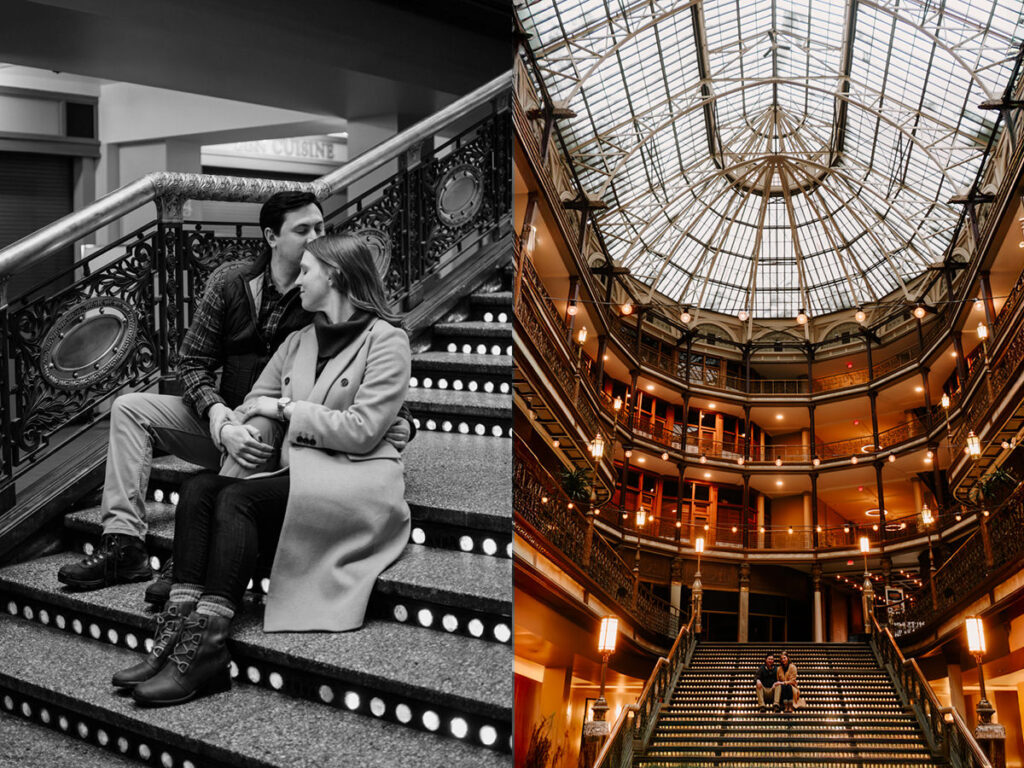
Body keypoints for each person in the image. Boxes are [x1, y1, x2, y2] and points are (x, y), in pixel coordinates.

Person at [56, 192, 412, 598]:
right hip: (226, 416)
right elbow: (191, 364)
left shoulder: (328, 297)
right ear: (271, 236)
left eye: (320, 227)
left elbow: (375, 377)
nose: (316, 235)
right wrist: (219, 418)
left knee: (256, 429)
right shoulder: (230, 281)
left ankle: (192, 557)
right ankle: (123, 543)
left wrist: (401, 424)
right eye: (303, 230)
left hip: (278, 435)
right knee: (129, 407)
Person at [112, 234, 412, 706]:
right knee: (198, 489)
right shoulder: (298, 340)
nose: (298, 281)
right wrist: (251, 419)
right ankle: (174, 635)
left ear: (334, 276)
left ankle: (207, 648)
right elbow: (256, 399)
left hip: (356, 478)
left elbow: (362, 432)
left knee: (236, 498)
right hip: (300, 468)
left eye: (307, 272)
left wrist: (288, 410)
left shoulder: (388, 341)